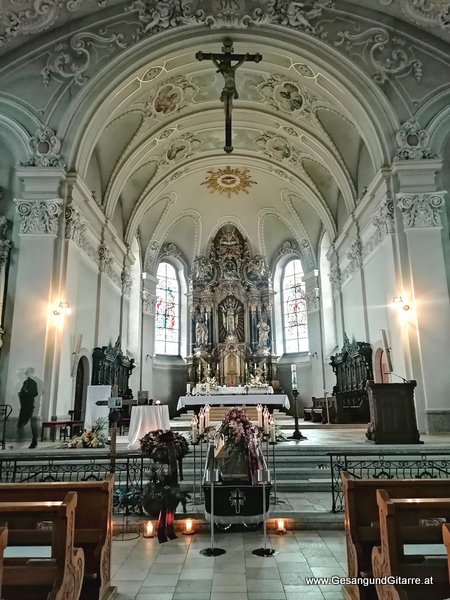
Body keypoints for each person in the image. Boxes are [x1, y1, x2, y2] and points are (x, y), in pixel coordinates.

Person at [17, 367, 39, 448]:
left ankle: (34, 441)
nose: (26, 374)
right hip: (25, 406)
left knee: (33, 424)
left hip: (31, 406)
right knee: (20, 423)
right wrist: (22, 393)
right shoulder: (25, 382)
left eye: (27, 372)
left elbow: (35, 393)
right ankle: (20, 439)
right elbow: (22, 391)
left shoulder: (34, 382)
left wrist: (27, 393)